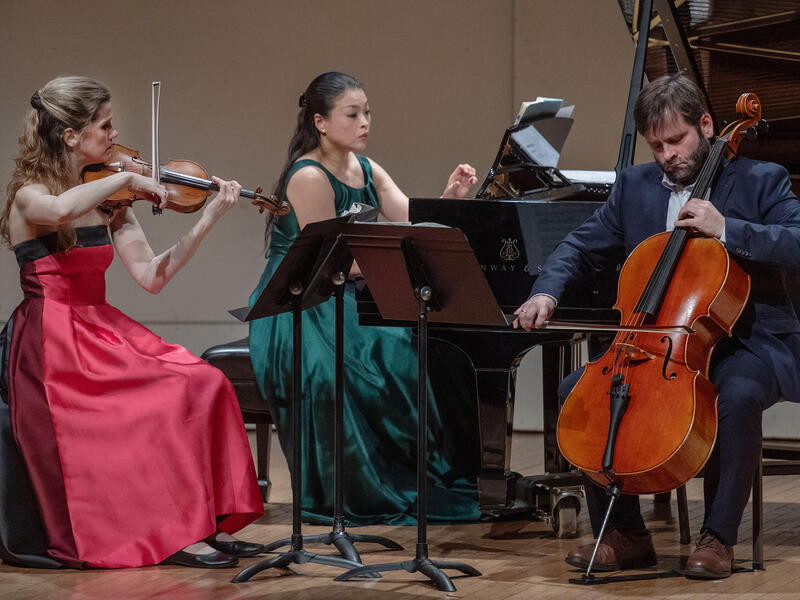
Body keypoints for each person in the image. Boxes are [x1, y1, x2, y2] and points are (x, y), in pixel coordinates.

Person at [514, 73, 800, 579]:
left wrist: (728, 229)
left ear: (707, 125)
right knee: (577, 389)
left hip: (749, 340)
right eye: (658, 145)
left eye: (678, 140)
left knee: (735, 393)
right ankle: (626, 533)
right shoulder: (633, 187)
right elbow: (580, 245)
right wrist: (545, 290)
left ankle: (718, 537)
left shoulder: (761, 179)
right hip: (658, 345)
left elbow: (795, 241)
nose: (668, 154)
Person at [0, 76, 266, 569]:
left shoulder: (108, 198)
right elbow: (59, 210)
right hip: (52, 341)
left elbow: (150, 275)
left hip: (101, 328)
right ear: (70, 136)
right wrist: (126, 178)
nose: (113, 134)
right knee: (157, 403)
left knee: (203, 382)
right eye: (103, 125)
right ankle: (175, 534)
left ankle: (205, 521)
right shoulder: (29, 195)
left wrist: (206, 219)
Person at [249, 71, 481, 525]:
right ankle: (351, 490)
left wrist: (450, 197)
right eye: (352, 114)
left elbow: (409, 221)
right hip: (299, 302)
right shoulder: (309, 175)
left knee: (402, 352)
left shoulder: (368, 169)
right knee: (337, 370)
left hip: (348, 292)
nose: (364, 122)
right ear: (320, 121)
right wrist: (393, 262)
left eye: (367, 112)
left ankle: (404, 477)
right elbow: (328, 260)